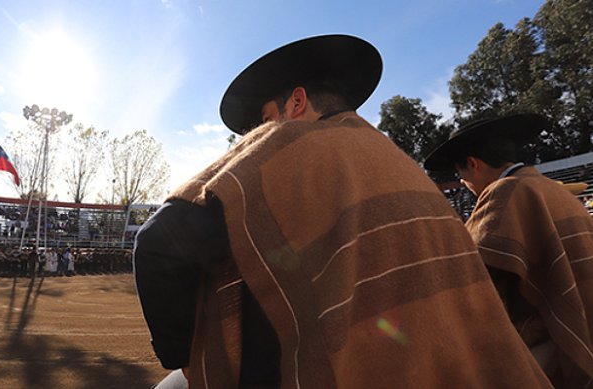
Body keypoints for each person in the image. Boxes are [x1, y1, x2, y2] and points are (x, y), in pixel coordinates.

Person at [134, 35, 551, 388]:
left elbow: (155, 242)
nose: (257, 136)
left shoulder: (286, 154)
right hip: (443, 365)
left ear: (296, 102)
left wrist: (184, 357)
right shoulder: (399, 163)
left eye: (263, 120)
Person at [423, 113, 593, 387]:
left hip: (554, 341)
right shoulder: (555, 189)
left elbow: (472, 277)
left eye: (461, 175)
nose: (464, 183)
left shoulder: (504, 192)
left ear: (473, 164)